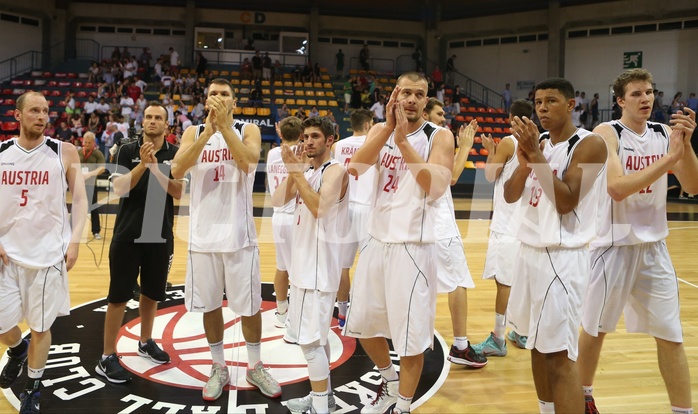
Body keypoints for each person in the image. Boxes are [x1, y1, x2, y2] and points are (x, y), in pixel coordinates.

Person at [578, 69, 698, 414]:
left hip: (654, 248)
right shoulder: (606, 133)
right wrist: (670, 159)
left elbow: (692, 185)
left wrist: (685, 146)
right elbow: (617, 188)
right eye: (636, 94)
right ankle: (583, 397)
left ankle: (682, 411)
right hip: (613, 247)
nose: (645, 98)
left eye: (649, 92)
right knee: (595, 329)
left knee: (671, 334)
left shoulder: (664, 134)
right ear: (620, 101)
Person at [343, 72, 455, 414]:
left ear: (426, 100)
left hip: (413, 247)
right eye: (405, 92)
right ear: (394, 95)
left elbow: (434, 187)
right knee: (362, 325)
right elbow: (356, 168)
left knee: (410, 338)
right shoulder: (380, 130)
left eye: (418, 94)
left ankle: (403, 407)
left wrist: (404, 140)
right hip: (377, 241)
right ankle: (390, 382)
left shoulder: (440, 137)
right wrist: (389, 131)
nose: (410, 99)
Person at [171, 78, 281, 401]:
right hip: (202, 238)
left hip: (239, 236)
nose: (218, 98)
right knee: (209, 306)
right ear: (205, 101)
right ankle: (218, 367)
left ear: (234, 102)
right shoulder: (193, 132)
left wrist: (225, 127)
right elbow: (177, 170)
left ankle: (255, 365)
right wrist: (207, 132)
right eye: (213, 94)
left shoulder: (248, 130)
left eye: (224, 95)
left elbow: (248, 162)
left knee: (249, 307)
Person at [502, 78, 607, 413]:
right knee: (536, 346)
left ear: (571, 104)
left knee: (559, 357)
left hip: (562, 260)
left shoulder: (590, 145)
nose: (542, 108)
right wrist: (525, 162)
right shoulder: (541, 142)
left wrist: (535, 154)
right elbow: (509, 195)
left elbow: (566, 202)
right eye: (538, 102)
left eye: (551, 101)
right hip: (530, 254)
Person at [0, 91, 87, 412]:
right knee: (4, 328)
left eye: (46, 111)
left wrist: (75, 239)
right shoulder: (1, 153)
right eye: (34, 111)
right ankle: (17, 350)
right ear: (18, 115)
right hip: (6, 255)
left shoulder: (63, 152)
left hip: (48, 254)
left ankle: (32, 389)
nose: (41, 116)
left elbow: (79, 199)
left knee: (40, 327)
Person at [94, 102, 182, 384]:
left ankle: (145, 341)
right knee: (118, 296)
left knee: (152, 294)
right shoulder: (127, 149)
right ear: (142, 122)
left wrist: (157, 170)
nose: (152, 121)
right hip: (128, 234)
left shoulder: (174, 153)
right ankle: (107, 356)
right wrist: (144, 166)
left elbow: (179, 191)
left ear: (167, 125)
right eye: (148, 117)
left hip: (160, 235)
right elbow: (119, 188)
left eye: (158, 118)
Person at [272, 117, 349, 414]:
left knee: (308, 343)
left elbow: (318, 208)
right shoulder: (309, 171)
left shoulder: (336, 170)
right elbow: (279, 200)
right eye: (305, 137)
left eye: (315, 136)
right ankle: (323, 397)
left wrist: (298, 173)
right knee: (316, 338)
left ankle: (320, 407)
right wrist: (296, 172)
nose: (308, 142)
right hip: (304, 266)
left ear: (330, 140)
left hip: (320, 269)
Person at [422, 98, 487, 368]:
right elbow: (452, 177)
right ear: (425, 114)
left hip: (419, 223)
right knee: (458, 282)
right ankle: (460, 346)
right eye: (438, 114)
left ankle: (419, 342)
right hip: (439, 224)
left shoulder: (411, 138)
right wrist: (466, 147)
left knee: (421, 287)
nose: (443, 118)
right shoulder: (436, 138)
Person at [471, 99, 533, 357]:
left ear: (511, 118)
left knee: (504, 282)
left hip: (508, 223)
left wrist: (489, 150)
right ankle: (522, 330)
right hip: (526, 223)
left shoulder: (510, 141)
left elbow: (489, 175)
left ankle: (498, 338)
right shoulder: (537, 143)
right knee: (521, 282)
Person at [330, 109, 376, 327]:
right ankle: (364, 313)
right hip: (367, 208)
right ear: (368, 124)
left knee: (343, 266)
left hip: (344, 208)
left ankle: (342, 314)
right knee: (368, 266)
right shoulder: (375, 144)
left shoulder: (337, 146)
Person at [266, 117, 303, 334]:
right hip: (296, 217)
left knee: (282, 268)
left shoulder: (272, 153)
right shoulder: (303, 153)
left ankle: (281, 312)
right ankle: (296, 318)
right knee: (299, 271)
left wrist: (283, 135)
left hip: (278, 217)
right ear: (302, 133)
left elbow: (285, 144)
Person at [78, 132, 106, 239]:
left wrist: (90, 174)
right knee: (78, 208)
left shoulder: (98, 154)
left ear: (94, 143)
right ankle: (75, 230)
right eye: (85, 142)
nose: (87, 144)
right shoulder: (78, 152)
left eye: (89, 143)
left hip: (91, 185)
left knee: (93, 208)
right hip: (79, 185)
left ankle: (96, 231)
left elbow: (102, 168)